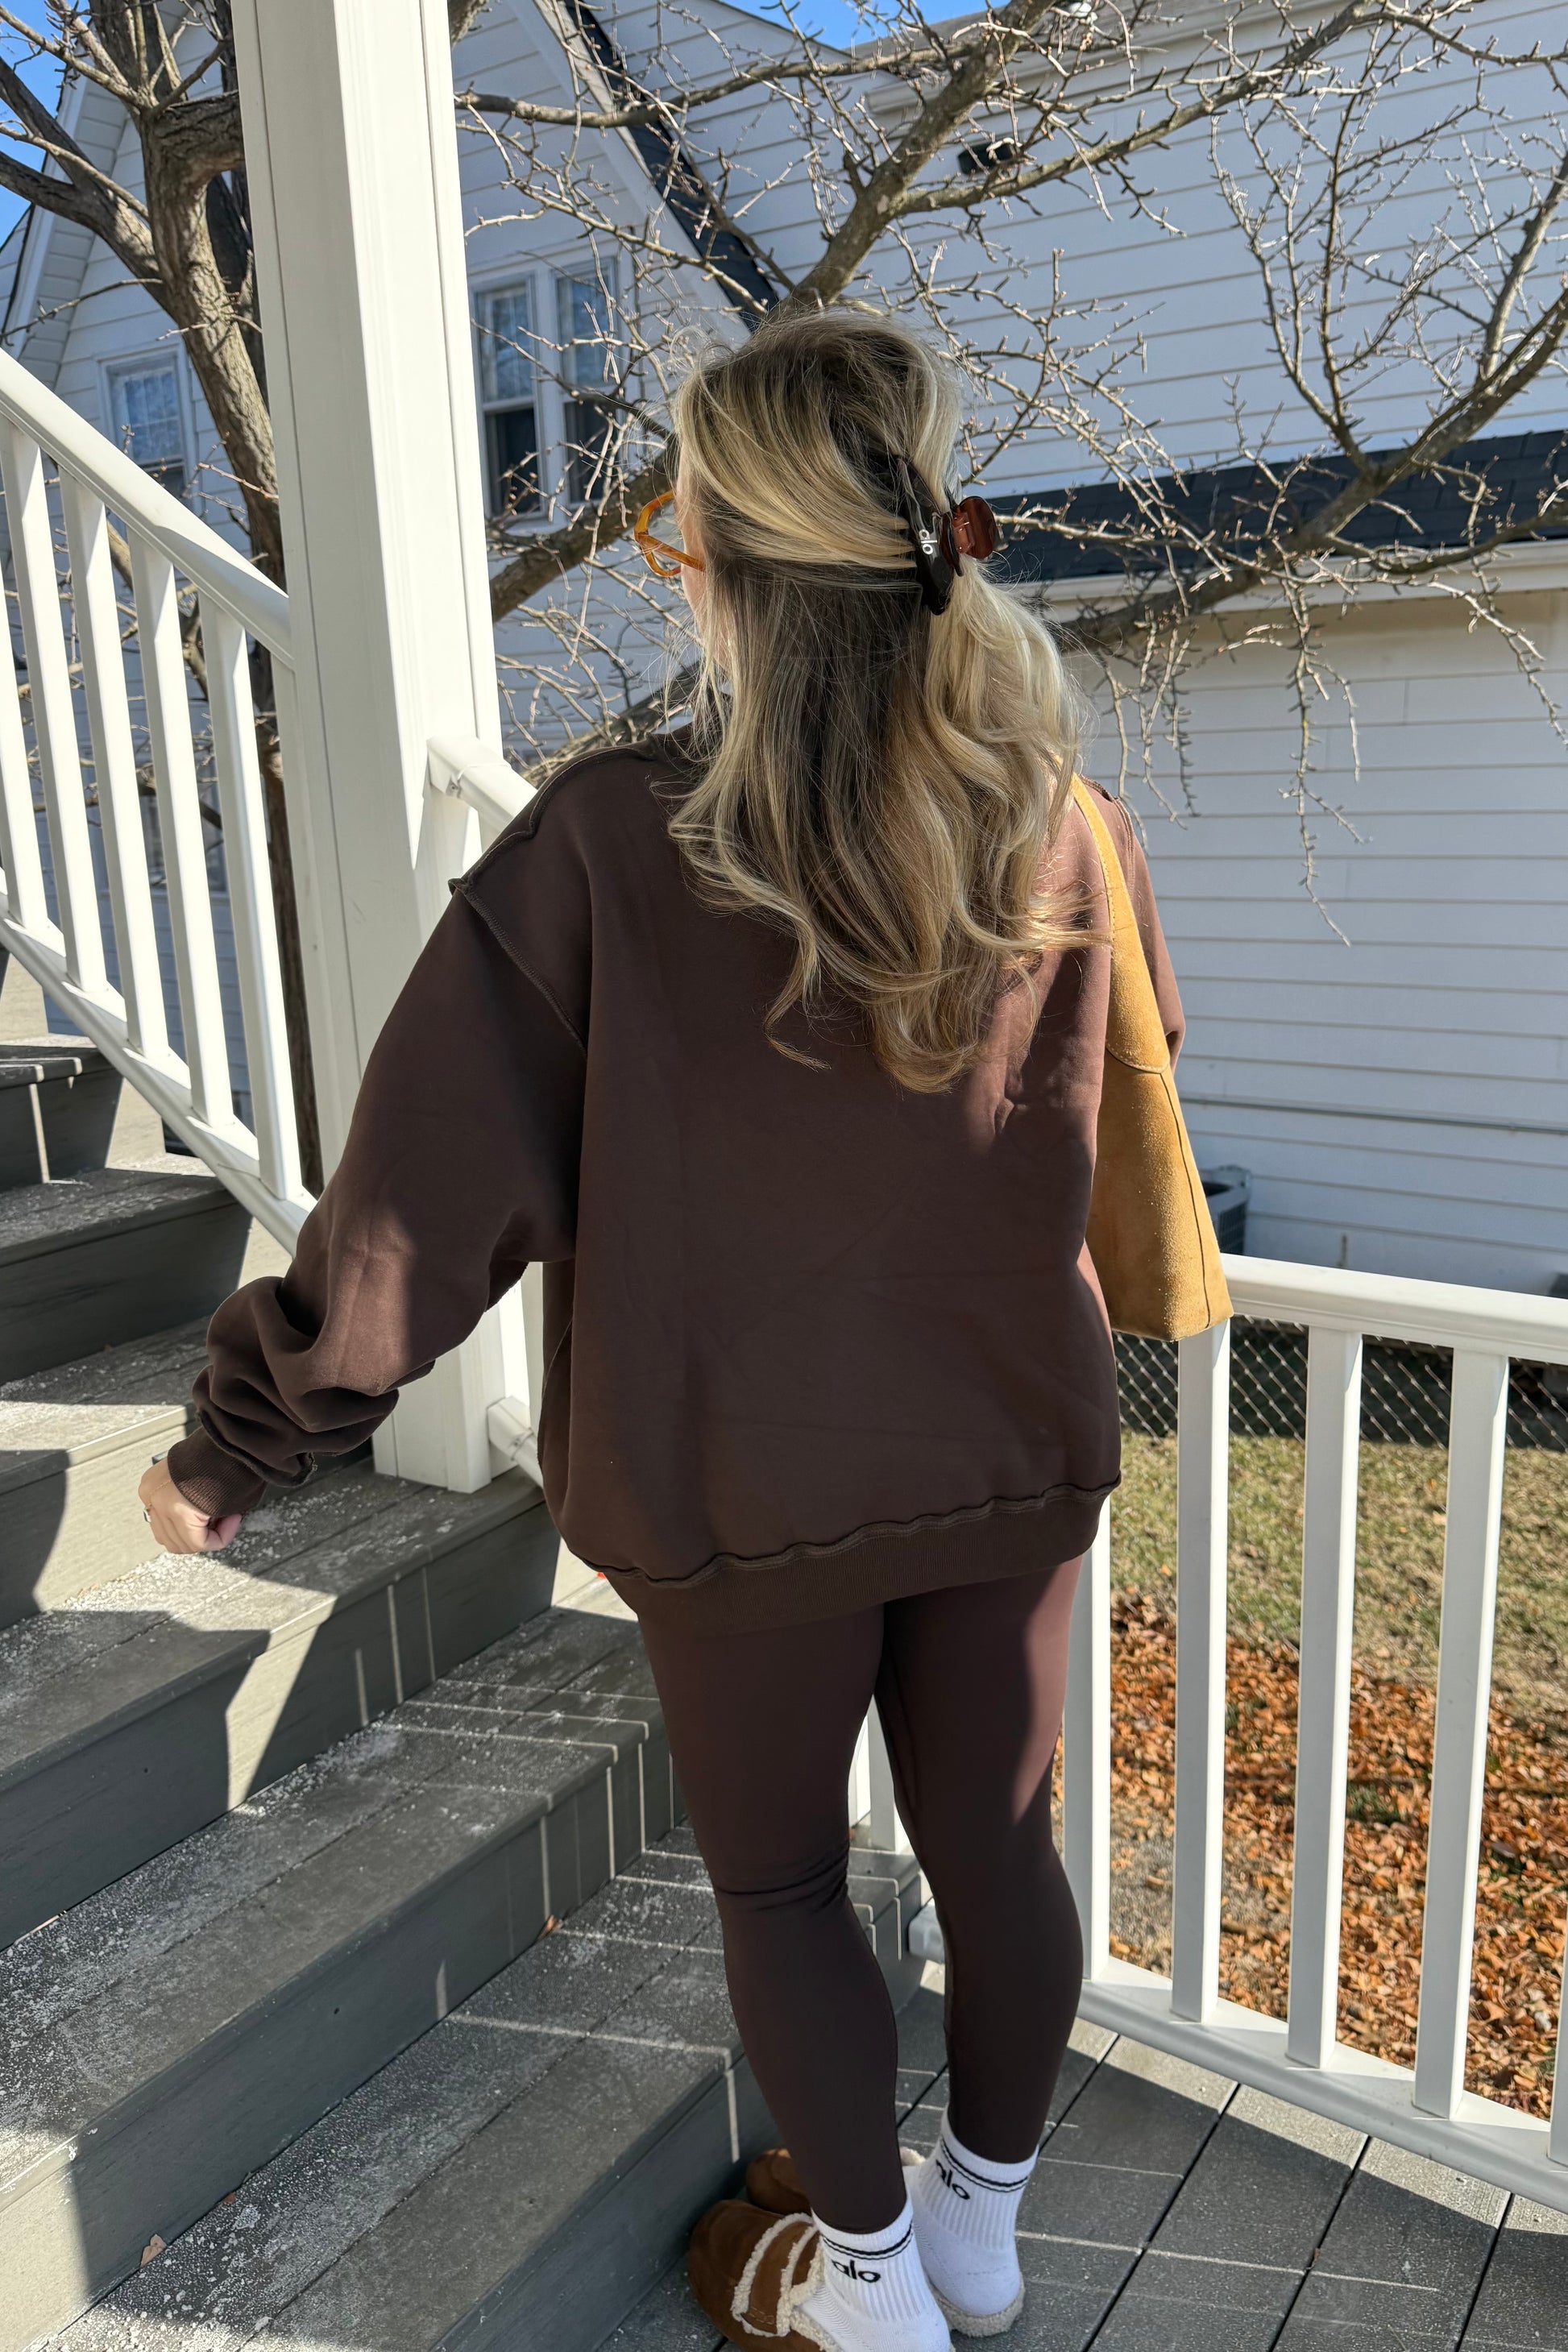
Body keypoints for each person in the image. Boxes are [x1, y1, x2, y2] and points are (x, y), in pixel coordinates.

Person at [139, 307, 1184, 2352]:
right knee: (999, 1846)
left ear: (719, 560)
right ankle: (978, 2235)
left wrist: (232, 1448)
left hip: (740, 1481)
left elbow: (419, 1203)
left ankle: (870, 2285)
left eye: (667, 529)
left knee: (783, 1885)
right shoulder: (1061, 825)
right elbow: (1119, 1111)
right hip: (1003, 1448)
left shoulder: (618, 843)